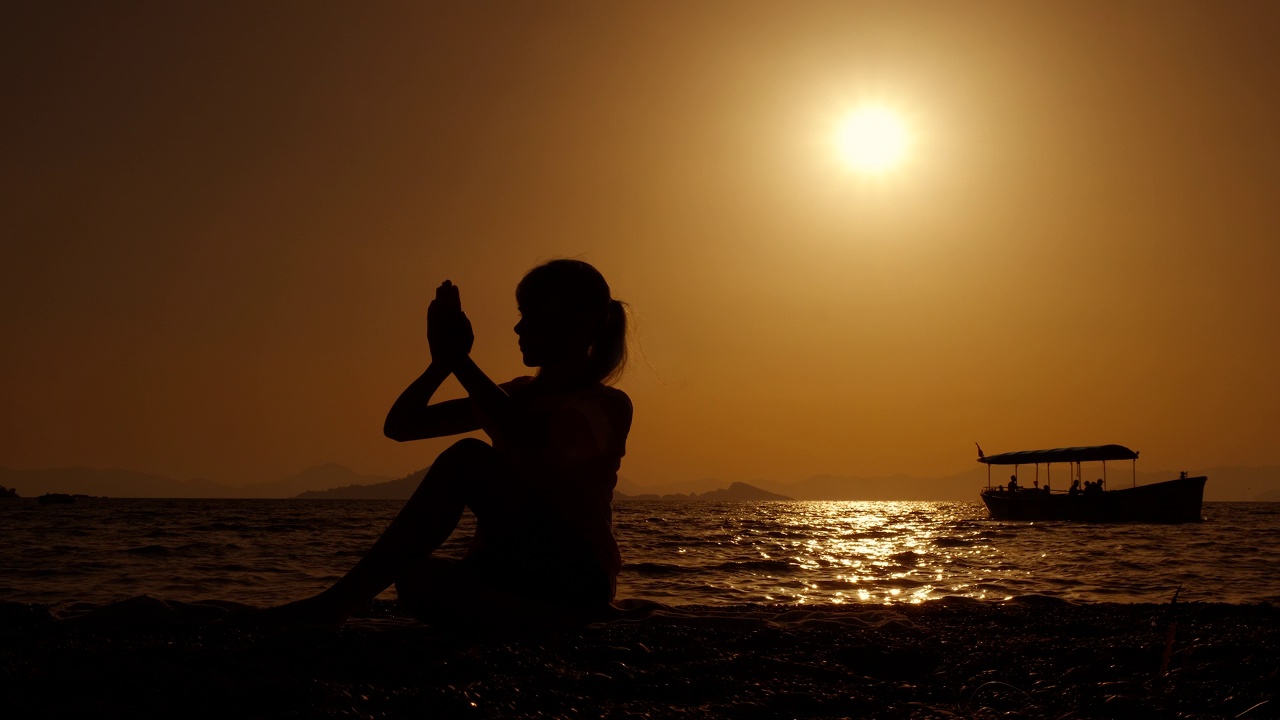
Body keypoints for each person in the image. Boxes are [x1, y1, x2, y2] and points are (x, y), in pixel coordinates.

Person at [266, 259, 633, 626]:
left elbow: (529, 437)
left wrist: (462, 361)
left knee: (468, 458)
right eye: (521, 313)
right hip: (511, 568)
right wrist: (441, 364)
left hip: (576, 570)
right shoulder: (515, 395)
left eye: (535, 315)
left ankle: (333, 606)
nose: (519, 326)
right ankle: (560, 618)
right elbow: (402, 425)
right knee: (415, 579)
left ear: (579, 323)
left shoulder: (605, 406)